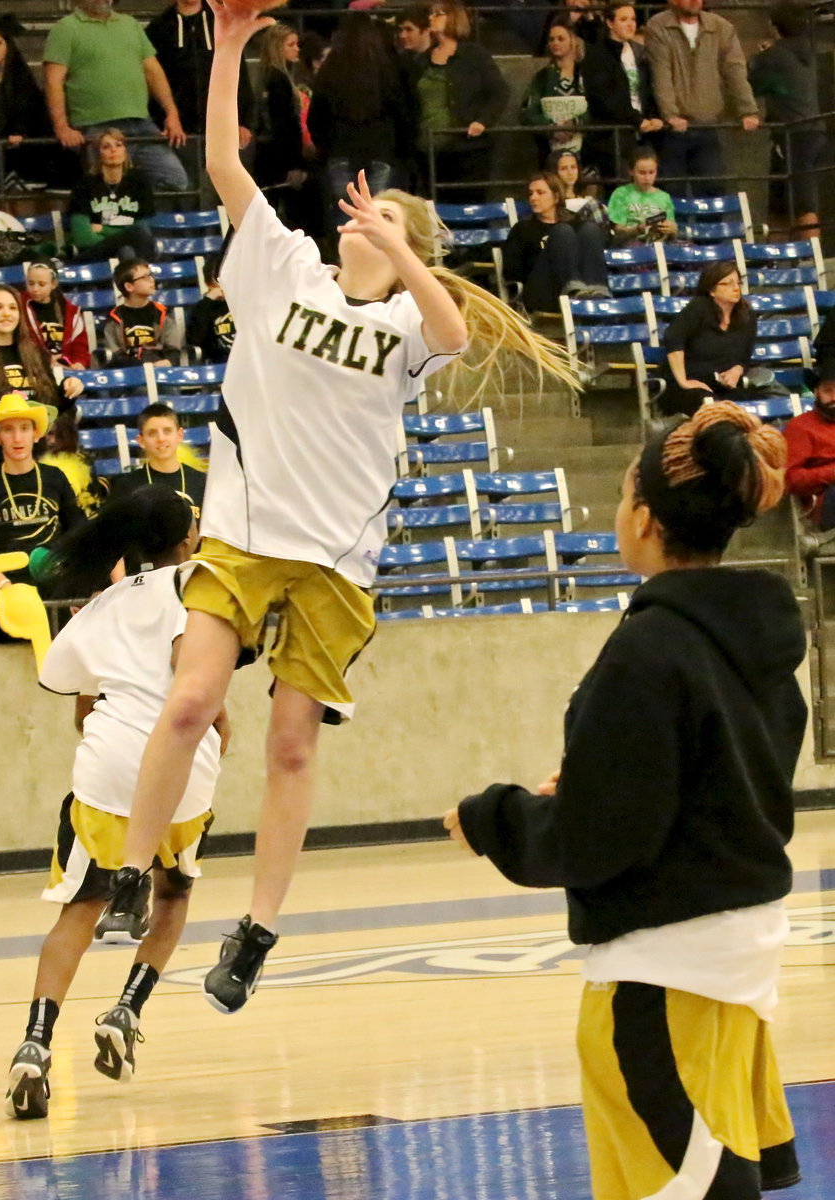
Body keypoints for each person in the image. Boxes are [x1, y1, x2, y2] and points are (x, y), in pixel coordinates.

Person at [92, 0, 579, 1015]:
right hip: (245, 533)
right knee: (187, 704)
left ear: (410, 246)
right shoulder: (280, 269)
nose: (366, 217)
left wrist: (402, 249)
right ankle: (131, 877)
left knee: (290, 745)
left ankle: (258, 931)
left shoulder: (407, 319)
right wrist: (226, 47)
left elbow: (449, 327)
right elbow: (225, 168)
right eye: (363, 212)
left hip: (337, 561)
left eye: (390, 218)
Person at [444, 402, 803, 1200]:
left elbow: (595, 839)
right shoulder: (759, 641)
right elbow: (721, 783)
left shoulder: (648, 648)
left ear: (643, 516)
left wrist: (491, 818)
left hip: (664, 976)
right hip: (733, 962)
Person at [3, 486, 225, 1120]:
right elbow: (207, 690)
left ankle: (34, 1046)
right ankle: (127, 1010)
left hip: (107, 765)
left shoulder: (103, 602)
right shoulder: (202, 588)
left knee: (77, 911)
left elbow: (65, 686)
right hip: (184, 766)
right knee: (176, 896)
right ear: (186, 538)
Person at [43, 0, 188, 192]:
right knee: (104, 189)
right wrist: (62, 127)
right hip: (95, 124)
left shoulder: (131, 25)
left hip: (140, 122)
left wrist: (172, 114)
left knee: (174, 180)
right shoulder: (65, 28)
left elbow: (153, 72)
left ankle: (136, 213)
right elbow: (53, 81)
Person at [0, 285, 84, 470]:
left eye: (12, 308)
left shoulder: (36, 354)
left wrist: (68, 390)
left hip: (33, 459)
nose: (6, 313)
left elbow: (50, 407)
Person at [0, 393, 85, 590]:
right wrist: (4, 585)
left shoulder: (55, 477)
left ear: (36, 433)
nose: (17, 438)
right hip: (7, 587)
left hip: (57, 582)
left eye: (24, 428)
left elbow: (77, 529)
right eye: (8, 430)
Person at [645, 0, 759, 198]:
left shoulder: (720, 27)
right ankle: (673, 230)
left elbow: (735, 71)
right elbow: (661, 73)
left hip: (709, 124)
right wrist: (670, 114)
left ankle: (712, 228)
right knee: (672, 191)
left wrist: (747, 110)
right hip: (673, 129)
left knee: (713, 188)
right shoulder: (659, 26)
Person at [308, 14, 417, 207]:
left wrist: (326, 148)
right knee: (380, 216)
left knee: (345, 221)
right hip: (381, 151)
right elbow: (404, 114)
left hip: (340, 151)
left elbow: (316, 117)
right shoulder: (388, 67)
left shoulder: (330, 68)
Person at [410, 0, 509, 200]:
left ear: (453, 18)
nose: (431, 18)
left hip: (467, 148)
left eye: (438, 14)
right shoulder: (421, 60)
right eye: (431, 14)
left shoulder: (474, 55)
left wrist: (483, 120)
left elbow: (499, 91)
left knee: (469, 204)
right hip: (429, 150)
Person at [749, 3, 825, 238]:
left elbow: (753, 83)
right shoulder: (808, 51)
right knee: (782, 200)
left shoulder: (774, 56)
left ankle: (811, 261)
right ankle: (787, 260)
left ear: (774, 26)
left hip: (793, 134)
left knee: (803, 203)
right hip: (813, 130)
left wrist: (760, 55)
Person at [144, 0, 255, 157]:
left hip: (222, 128)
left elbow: (239, 74)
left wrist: (243, 121)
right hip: (177, 132)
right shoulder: (158, 28)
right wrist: (164, 119)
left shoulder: (223, 23)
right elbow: (152, 79)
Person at [660, 259, 757, 416]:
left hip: (721, 385)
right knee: (712, 405)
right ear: (711, 290)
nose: (736, 288)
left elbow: (745, 355)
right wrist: (683, 381)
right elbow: (673, 338)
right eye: (727, 284)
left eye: (738, 283)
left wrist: (737, 370)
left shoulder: (747, 315)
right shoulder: (699, 308)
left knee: (745, 407)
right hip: (689, 385)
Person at [581, 3, 664, 185]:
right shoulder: (597, 56)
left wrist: (653, 116)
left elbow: (646, 89)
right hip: (612, 138)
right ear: (610, 23)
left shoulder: (638, 53)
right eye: (624, 19)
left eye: (633, 19)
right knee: (621, 189)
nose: (630, 24)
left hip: (641, 133)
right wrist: (635, 119)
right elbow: (605, 97)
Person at [504, 171, 610, 311]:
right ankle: (574, 291)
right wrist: (548, 253)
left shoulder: (576, 224)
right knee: (562, 232)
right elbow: (511, 273)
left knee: (590, 229)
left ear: (556, 196)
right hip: (542, 289)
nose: (533, 198)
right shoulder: (523, 229)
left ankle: (596, 292)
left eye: (540, 193)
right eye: (531, 193)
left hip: (584, 286)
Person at [0, 15, 55, 193]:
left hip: (22, 158)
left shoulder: (21, 78)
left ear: (8, 46)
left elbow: (31, 110)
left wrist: (20, 131)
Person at [253, 24, 316, 232]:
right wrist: (296, 164)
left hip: (268, 155)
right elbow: (285, 127)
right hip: (280, 160)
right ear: (277, 48)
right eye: (291, 45)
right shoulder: (278, 81)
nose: (297, 49)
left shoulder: (267, 77)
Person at [67, 129, 157, 263]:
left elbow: (143, 231)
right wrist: (126, 229)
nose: (113, 150)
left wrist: (103, 228)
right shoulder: (85, 185)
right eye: (106, 147)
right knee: (131, 241)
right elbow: (83, 238)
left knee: (127, 250)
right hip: (94, 253)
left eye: (118, 145)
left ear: (125, 152)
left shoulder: (138, 182)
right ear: (98, 154)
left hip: (130, 251)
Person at [113, 403, 207, 521]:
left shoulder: (202, 482)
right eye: (152, 433)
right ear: (141, 441)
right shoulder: (126, 486)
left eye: (167, 431)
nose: (161, 439)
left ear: (179, 435)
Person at [522, 15, 591, 166]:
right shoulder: (542, 77)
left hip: (587, 152)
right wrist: (552, 128)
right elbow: (529, 112)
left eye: (561, 38)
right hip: (550, 153)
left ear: (573, 40)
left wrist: (576, 123)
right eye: (551, 39)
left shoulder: (588, 74)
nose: (555, 43)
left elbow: (599, 106)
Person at [783, 361, 835, 529]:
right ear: (816, 392)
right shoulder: (800, 427)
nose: (834, 397)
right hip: (823, 501)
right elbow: (789, 479)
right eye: (828, 390)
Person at [103, 261, 182, 367]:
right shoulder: (114, 318)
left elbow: (173, 349)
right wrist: (142, 366)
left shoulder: (163, 313)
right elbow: (115, 354)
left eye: (150, 275)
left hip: (160, 368)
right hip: (129, 370)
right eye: (145, 277)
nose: (152, 280)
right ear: (129, 286)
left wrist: (168, 362)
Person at [22, 261, 91, 369]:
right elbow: (22, 343)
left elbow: (80, 346)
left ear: (53, 284)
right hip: (35, 367)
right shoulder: (19, 308)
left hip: (67, 367)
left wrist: (79, 363)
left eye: (41, 284)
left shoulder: (71, 312)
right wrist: (46, 360)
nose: (35, 289)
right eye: (31, 283)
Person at [607, 147, 677, 245]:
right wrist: (638, 229)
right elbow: (617, 231)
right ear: (631, 171)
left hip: (659, 242)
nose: (647, 178)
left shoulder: (664, 197)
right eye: (642, 173)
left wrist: (672, 229)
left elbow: (671, 226)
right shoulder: (621, 194)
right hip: (631, 242)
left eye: (651, 172)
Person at [186, 255, 234, 363]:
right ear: (209, 282)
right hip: (220, 362)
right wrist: (208, 300)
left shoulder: (243, 302)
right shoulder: (202, 308)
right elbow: (196, 339)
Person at [545, 149, 608, 229]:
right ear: (554, 172)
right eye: (564, 169)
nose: (570, 172)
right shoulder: (548, 203)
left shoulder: (590, 203)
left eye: (573, 167)